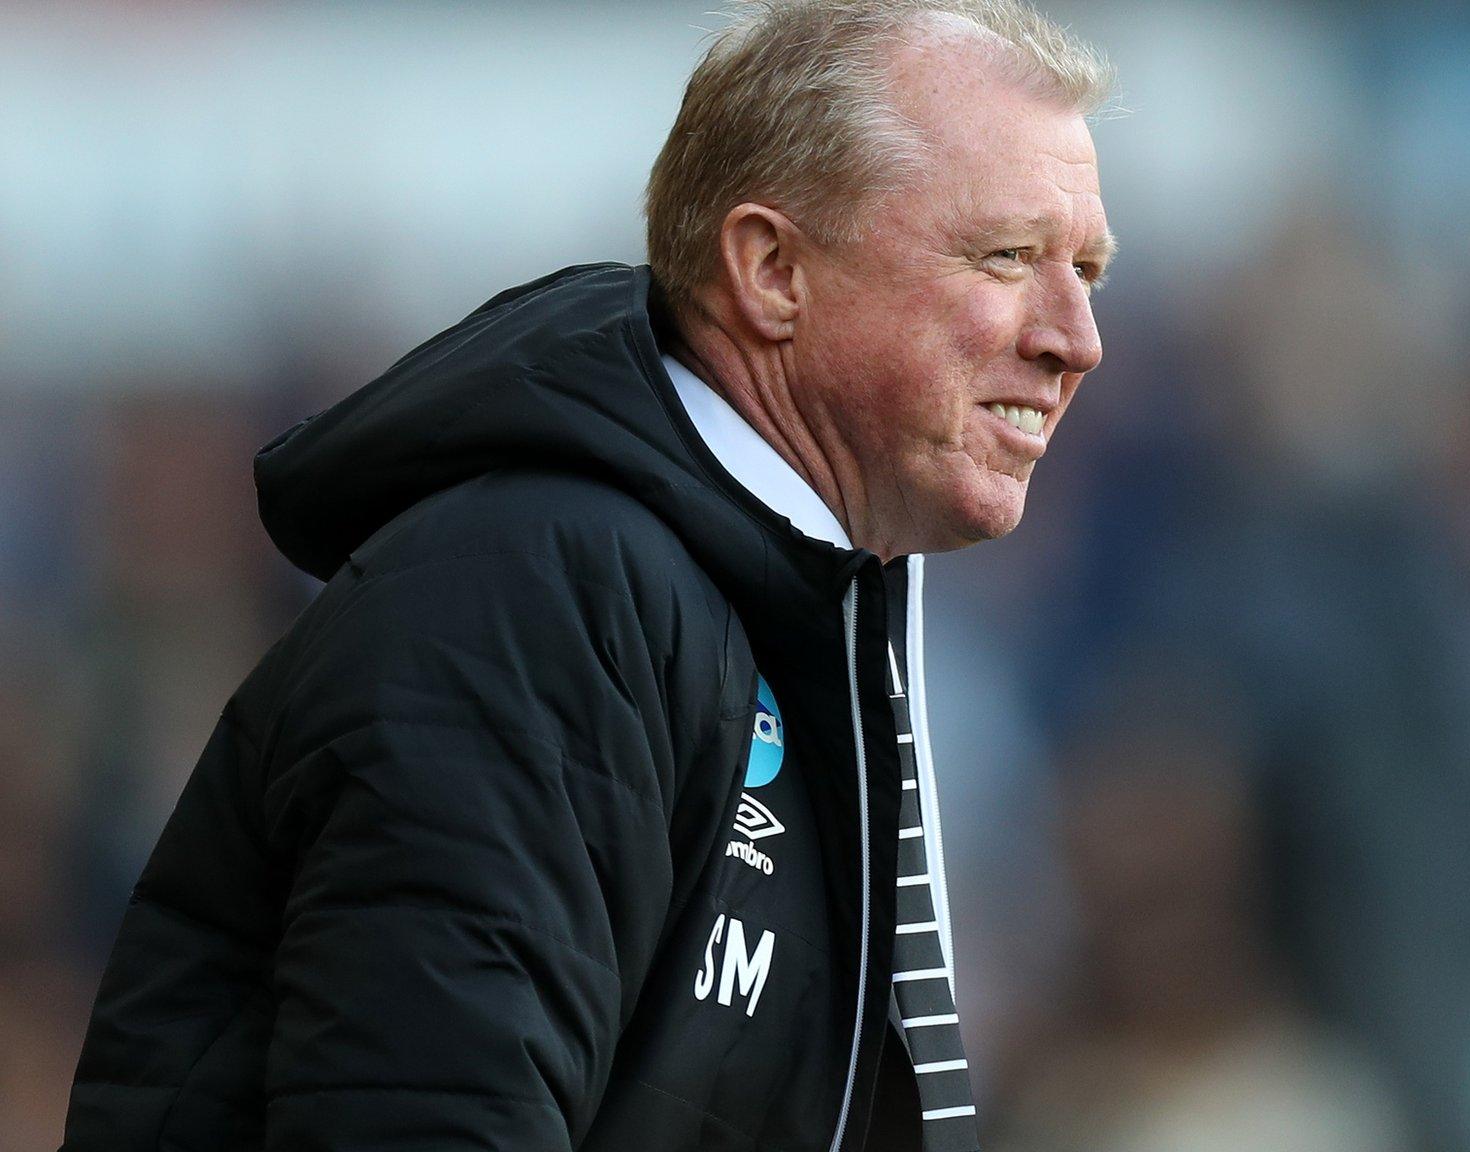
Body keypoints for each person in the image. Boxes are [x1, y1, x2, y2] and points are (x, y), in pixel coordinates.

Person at [60, 2, 1115, 1149]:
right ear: (770, 271)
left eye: (1089, 271)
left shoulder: (789, 605)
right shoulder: (532, 599)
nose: (1075, 335)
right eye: (1005, 256)